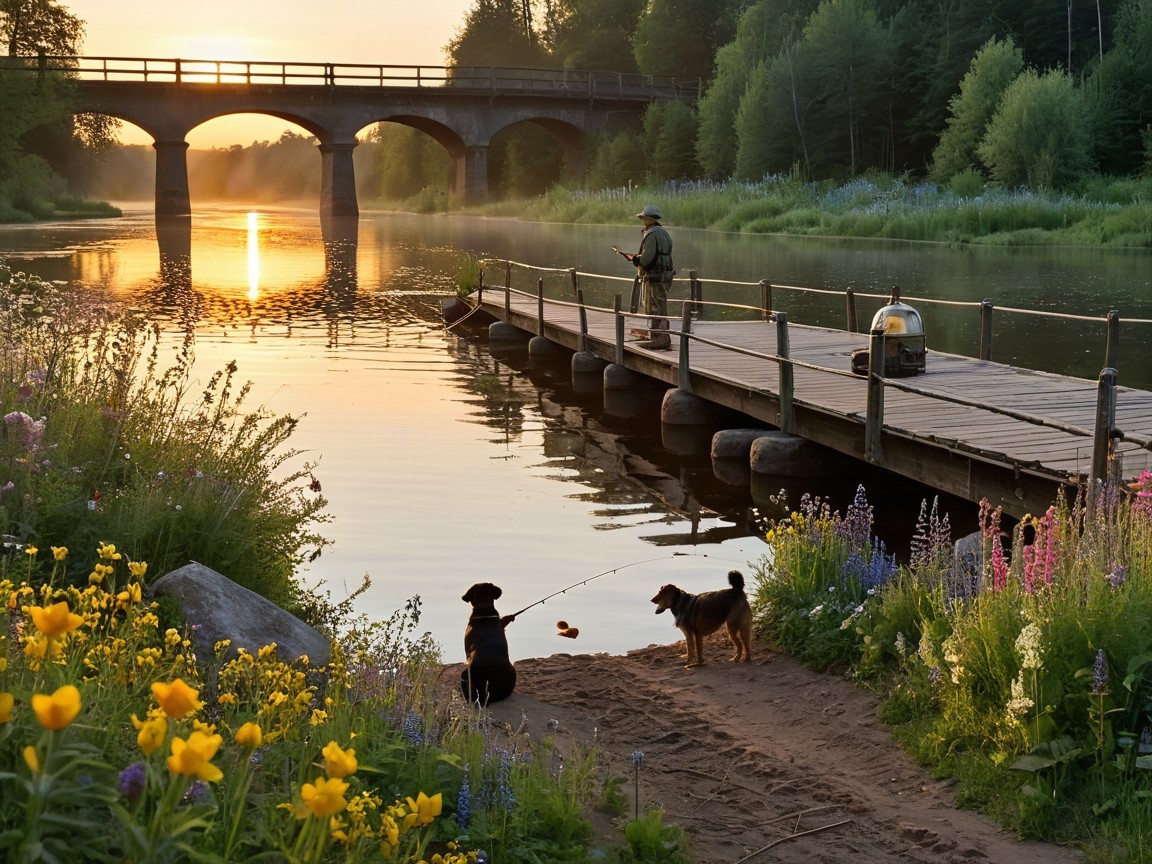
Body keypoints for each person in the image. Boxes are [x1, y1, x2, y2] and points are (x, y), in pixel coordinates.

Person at [622, 204, 674, 350]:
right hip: (664, 277)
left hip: (654, 278)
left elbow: (647, 259)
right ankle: (663, 337)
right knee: (661, 307)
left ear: (647, 219)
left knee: (654, 308)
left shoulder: (651, 235)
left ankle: (658, 339)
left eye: (643, 218)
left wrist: (635, 259)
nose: (642, 220)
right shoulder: (663, 233)